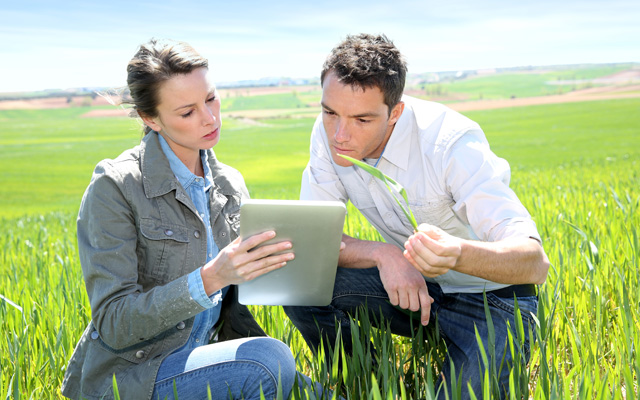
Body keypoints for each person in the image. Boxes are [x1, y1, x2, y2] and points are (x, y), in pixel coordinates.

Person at [283, 33, 550, 398]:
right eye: (330, 112)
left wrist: (456, 254)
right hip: (414, 291)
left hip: (494, 300)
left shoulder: (452, 144)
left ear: (395, 113)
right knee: (297, 282)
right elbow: (312, 239)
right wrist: (384, 254)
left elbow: (534, 263)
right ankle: (366, 385)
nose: (339, 134)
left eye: (361, 119)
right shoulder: (328, 133)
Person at [61, 39, 306, 400]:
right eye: (187, 112)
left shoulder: (230, 184)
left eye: (211, 99)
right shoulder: (115, 187)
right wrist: (212, 277)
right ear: (150, 118)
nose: (209, 118)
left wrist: (284, 262)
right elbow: (114, 322)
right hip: (133, 376)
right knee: (267, 361)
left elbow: (241, 299)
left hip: (203, 360)